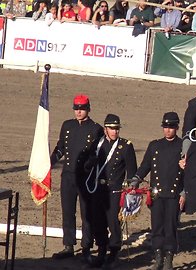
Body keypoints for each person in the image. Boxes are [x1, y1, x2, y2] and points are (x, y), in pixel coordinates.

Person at [50, 95, 103, 261]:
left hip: (85, 178)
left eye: (82, 108)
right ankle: (68, 245)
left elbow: (97, 154)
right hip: (67, 175)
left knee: (86, 213)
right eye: (76, 108)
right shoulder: (67, 126)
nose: (79, 111)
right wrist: (49, 162)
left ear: (88, 109)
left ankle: (86, 246)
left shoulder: (96, 129)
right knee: (68, 211)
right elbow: (61, 148)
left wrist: (89, 165)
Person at [84, 114, 137, 268]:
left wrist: (131, 188)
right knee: (98, 221)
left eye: (117, 129)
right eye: (111, 128)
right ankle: (101, 251)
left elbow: (132, 171)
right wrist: (90, 163)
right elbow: (87, 167)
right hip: (97, 189)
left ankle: (113, 253)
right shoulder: (97, 144)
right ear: (105, 129)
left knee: (113, 222)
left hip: (114, 190)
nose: (114, 132)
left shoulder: (126, 146)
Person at [133, 112, 184, 270]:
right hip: (156, 195)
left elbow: (189, 173)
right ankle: (158, 258)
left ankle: (168, 258)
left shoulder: (183, 146)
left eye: (171, 127)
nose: (168, 130)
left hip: (173, 195)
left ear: (176, 127)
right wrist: (136, 179)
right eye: (165, 127)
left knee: (170, 227)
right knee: (156, 227)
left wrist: (184, 193)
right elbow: (145, 166)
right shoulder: (154, 145)